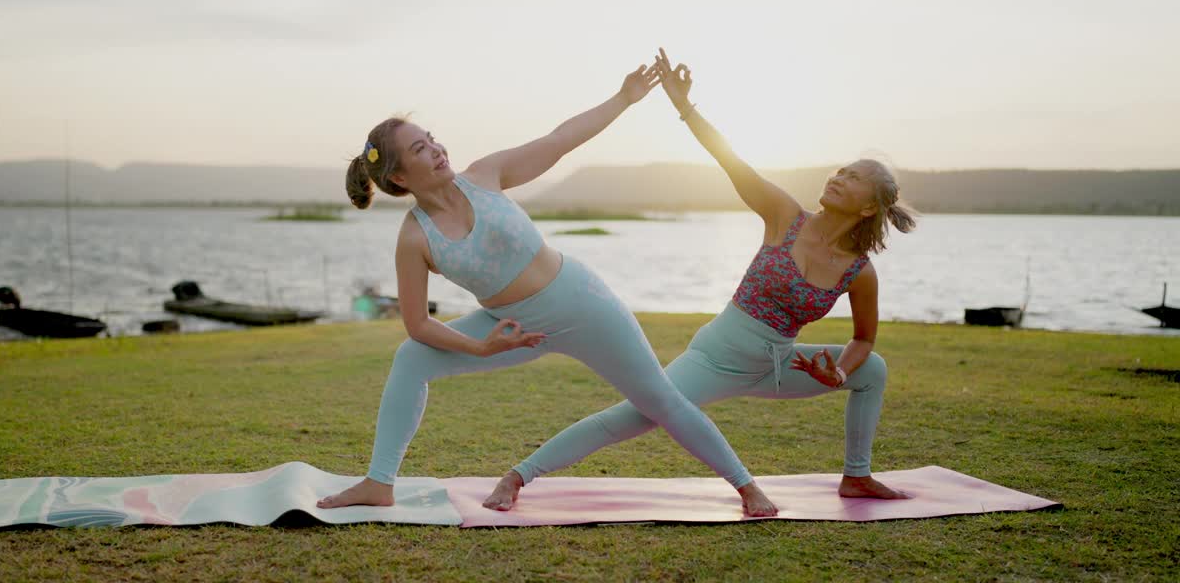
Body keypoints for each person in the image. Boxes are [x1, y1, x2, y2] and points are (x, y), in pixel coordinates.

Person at [317, 61, 777, 516]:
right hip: (514, 326)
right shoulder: (414, 237)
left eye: (432, 138)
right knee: (410, 358)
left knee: (659, 400)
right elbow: (417, 324)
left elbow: (559, 141)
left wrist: (624, 99)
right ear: (399, 176)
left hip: (583, 304)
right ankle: (380, 482)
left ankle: (745, 486)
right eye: (420, 148)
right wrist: (483, 348)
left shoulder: (484, 176)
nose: (437, 149)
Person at [482, 49, 917, 512]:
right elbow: (731, 161)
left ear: (869, 208)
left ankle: (857, 476)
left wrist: (842, 371)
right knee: (632, 417)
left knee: (874, 371)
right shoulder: (784, 215)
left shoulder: (859, 271)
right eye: (842, 170)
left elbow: (864, 339)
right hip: (717, 356)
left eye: (853, 180)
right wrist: (685, 107)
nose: (839, 178)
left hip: (777, 363)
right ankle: (518, 476)